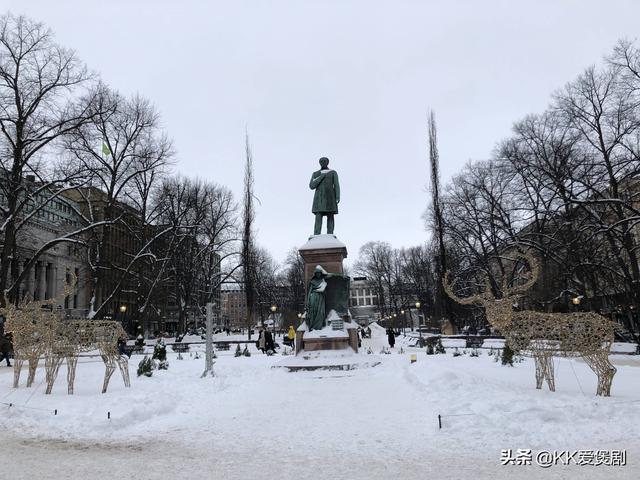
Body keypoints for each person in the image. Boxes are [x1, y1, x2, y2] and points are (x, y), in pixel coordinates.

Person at [309, 157, 340, 235]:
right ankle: (316, 234)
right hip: (319, 199)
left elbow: (336, 185)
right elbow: (312, 186)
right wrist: (321, 176)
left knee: (330, 216)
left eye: (325, 161)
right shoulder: (316, 173)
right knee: (318, 216)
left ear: (327, 162)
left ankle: (330, 234)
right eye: (321, 161)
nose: (323, 162)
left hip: (330, 197)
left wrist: (337, 196)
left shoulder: (333, 172)